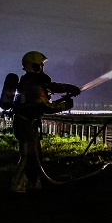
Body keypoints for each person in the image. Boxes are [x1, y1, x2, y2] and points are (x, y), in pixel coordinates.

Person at [10, 51, 80, 193]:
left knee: (36, 156)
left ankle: (34, 183)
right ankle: (16, 186)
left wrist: (67, 88)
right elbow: (46, 106)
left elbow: (51, 87)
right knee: (27, 156)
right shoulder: (33, 84)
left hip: (30, 123)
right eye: (40, 65)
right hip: (25, 124)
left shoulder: (29, 80)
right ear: (34, 66)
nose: (42, 67)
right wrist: (65, 105)